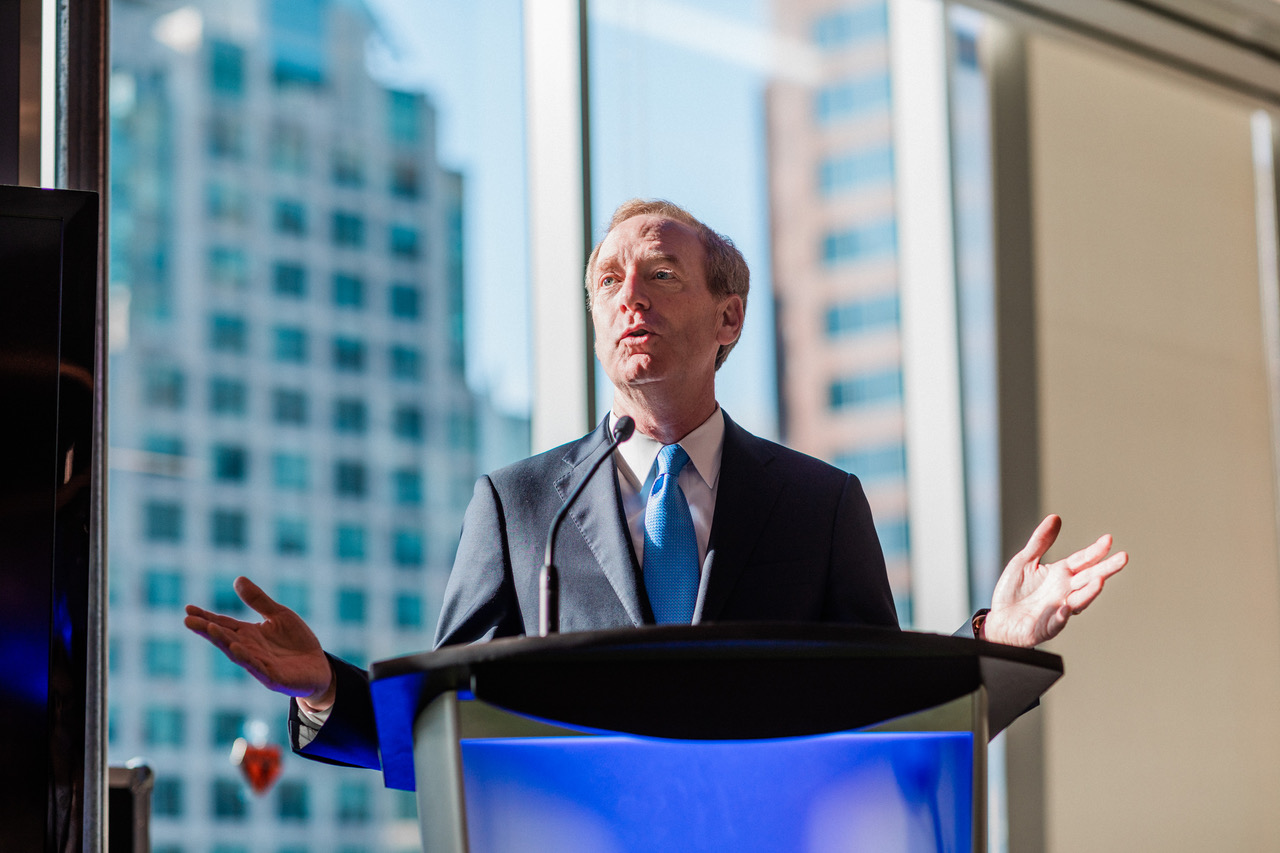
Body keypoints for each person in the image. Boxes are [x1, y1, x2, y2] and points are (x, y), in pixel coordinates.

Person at [185, 199, 1127, 769]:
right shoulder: (520, 507)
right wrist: (326, 692)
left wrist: (990, 641)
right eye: (607, 280)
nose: (627, 294)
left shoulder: (820, 504)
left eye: (660, 273)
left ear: (728, 316)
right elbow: (450, 728)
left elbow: (878, 719)